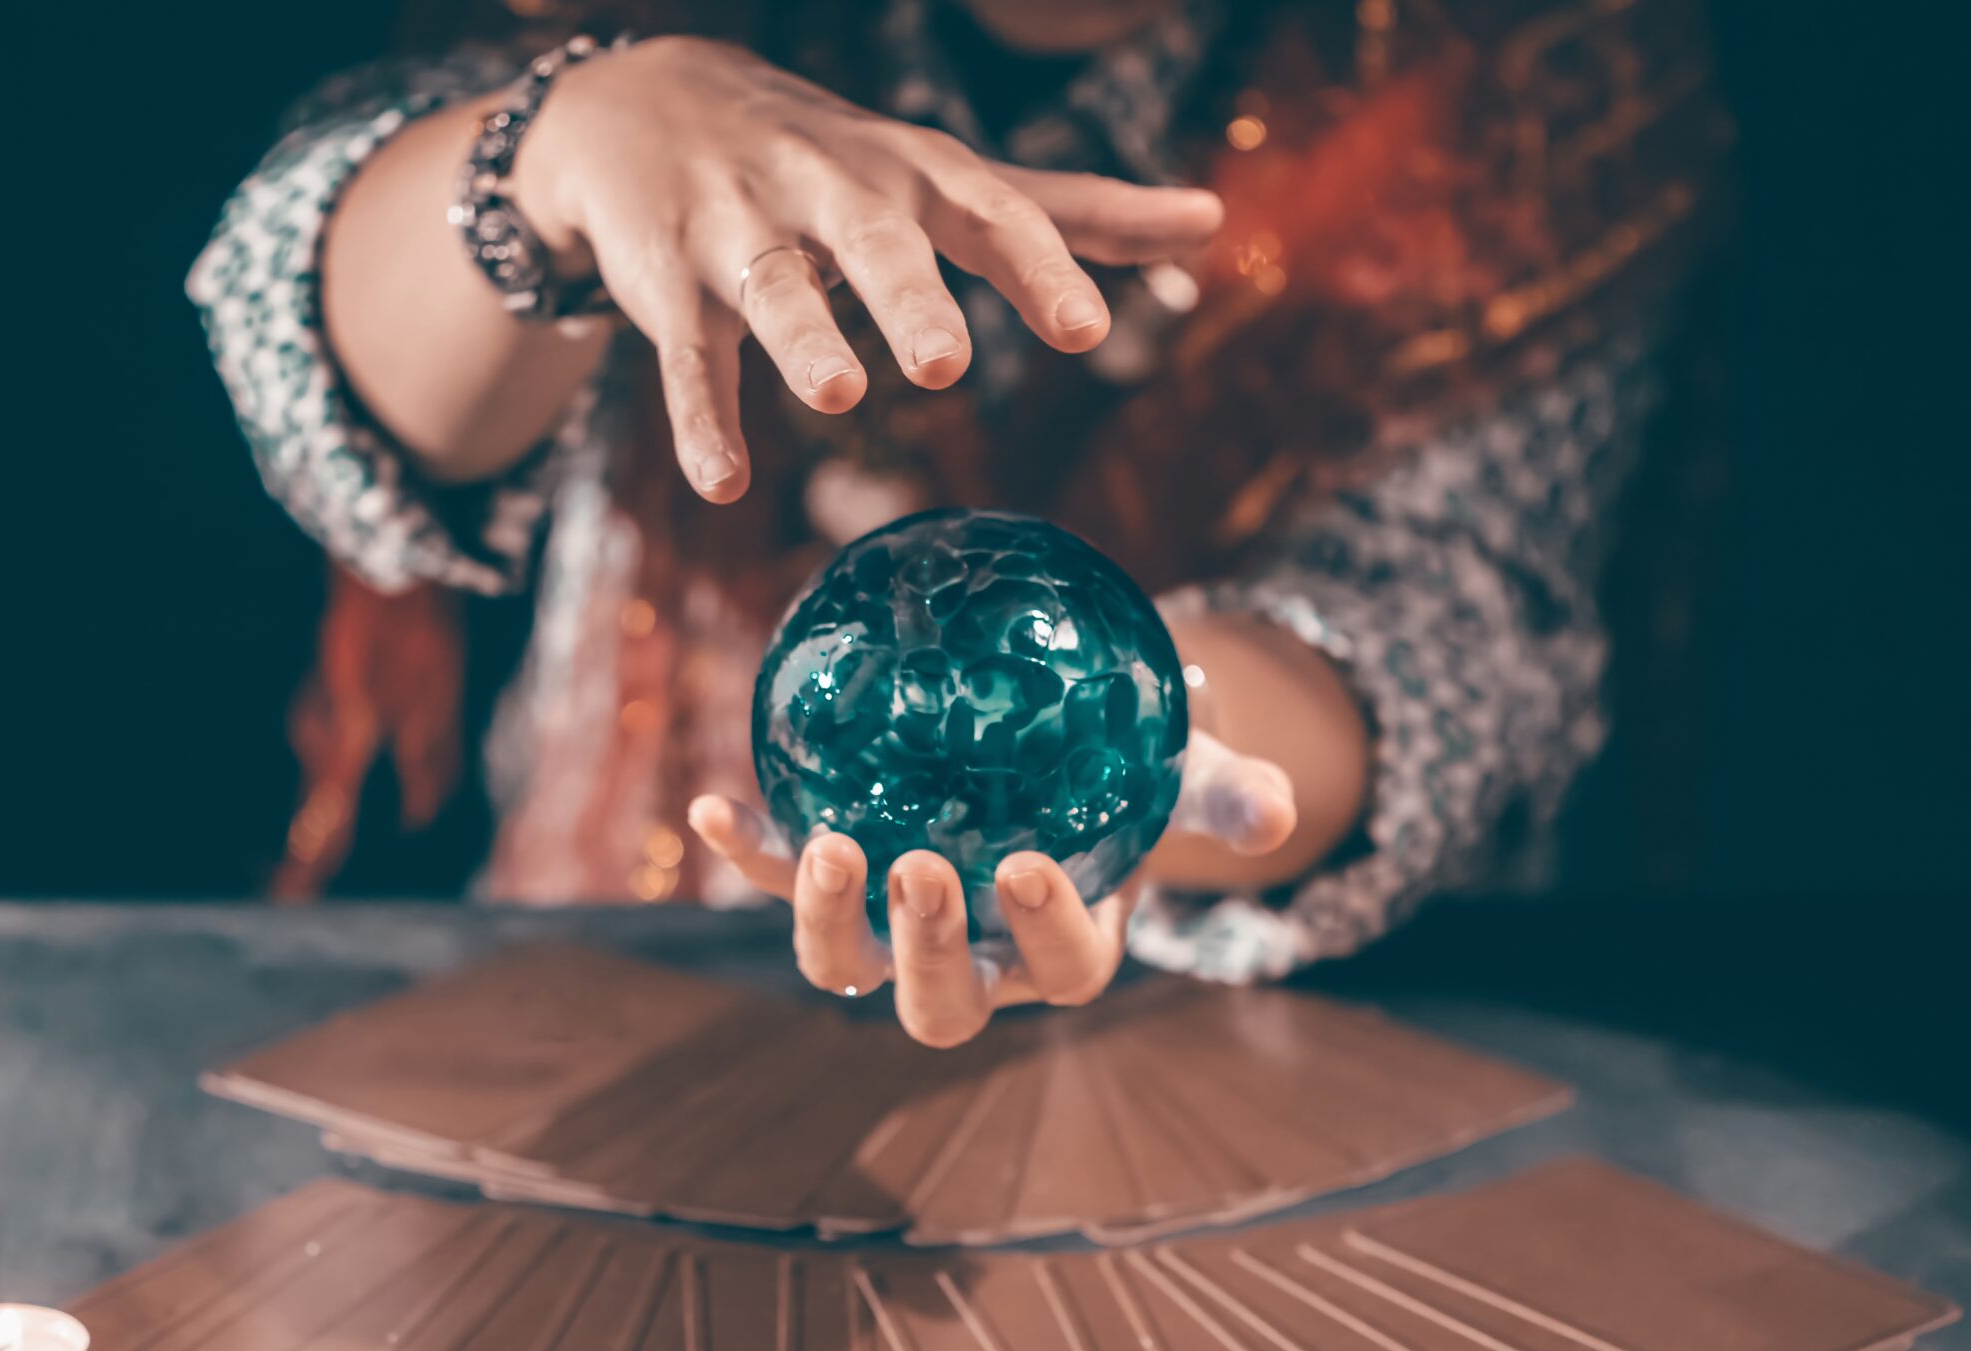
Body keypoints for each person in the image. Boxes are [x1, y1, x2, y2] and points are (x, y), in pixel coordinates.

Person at [195, 0, 1720, 1043]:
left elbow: (1455, 617)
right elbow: (336, 385)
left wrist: (1171, 758)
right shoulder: (601, 20)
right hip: (628, 981)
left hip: (1256, 1056)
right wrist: (559, 151)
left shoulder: (1540, 76)